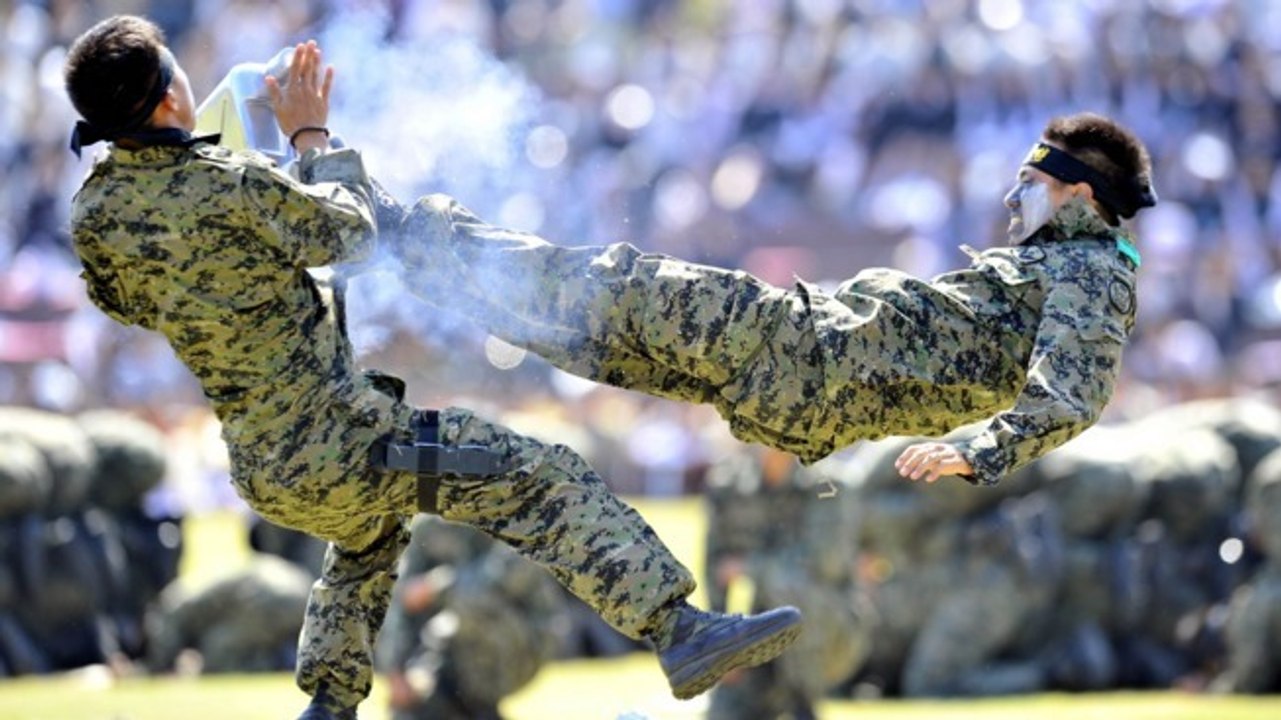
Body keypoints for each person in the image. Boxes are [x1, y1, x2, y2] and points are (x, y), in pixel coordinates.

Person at [63, 16, 801, 719]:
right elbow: (350, 234)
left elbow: (128, 302)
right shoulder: (225, 182)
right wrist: (310, 135)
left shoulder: (96, 212)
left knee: (367, 539)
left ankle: (329, 702)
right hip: (349, 445)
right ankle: (678, 631)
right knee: (537, 477)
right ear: (168, 95)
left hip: (265, 468)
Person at [392, 113, 1157, 487]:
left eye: (1031, 184)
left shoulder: (1092, 271)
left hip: (799, 343)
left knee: (611, 285)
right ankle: (418, 263)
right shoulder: (1076, 269)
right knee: (593, 343)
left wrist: (977, 452)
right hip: (804, 393)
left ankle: (402, 230)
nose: (1013, 197)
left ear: (1078, 194)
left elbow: (1074, 395)